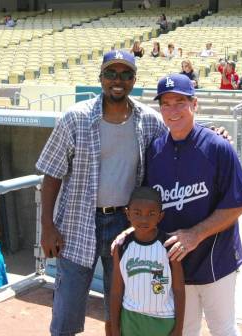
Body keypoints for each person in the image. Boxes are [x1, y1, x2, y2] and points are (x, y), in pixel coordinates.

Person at [35, 50, 167, 336]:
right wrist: (47, 226)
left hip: (124, 225)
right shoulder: (75, 118)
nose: (117, 80)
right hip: (76, 224)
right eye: (110, 73)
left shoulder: (150, 121)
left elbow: (179, 141)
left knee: (118, 310)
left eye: (125, 74)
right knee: (66, 313)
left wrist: (216, 132)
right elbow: (51, 175)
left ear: (134, 80)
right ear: (100, 78)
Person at [146, 74, 242, 335]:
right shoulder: (155, 150)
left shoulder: (218, 147)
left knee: (223, 329)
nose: (173, 110)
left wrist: (196, 234)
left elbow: (238, 203)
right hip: (175, 262)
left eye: (180, 102)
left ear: (195, 104)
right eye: (166, 103)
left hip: (216, 260)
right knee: (183, 330)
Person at [110, 187, 185, 336]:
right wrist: (115, 327)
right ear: (127, 213)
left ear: (160, 216)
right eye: (137, 213)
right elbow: (116, 291)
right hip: (130, 318)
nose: (144, 219)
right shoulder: (122, 247)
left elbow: (179, 290)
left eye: (151, 214)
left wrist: (178, 328)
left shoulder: (169, 245)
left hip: (163, 320)